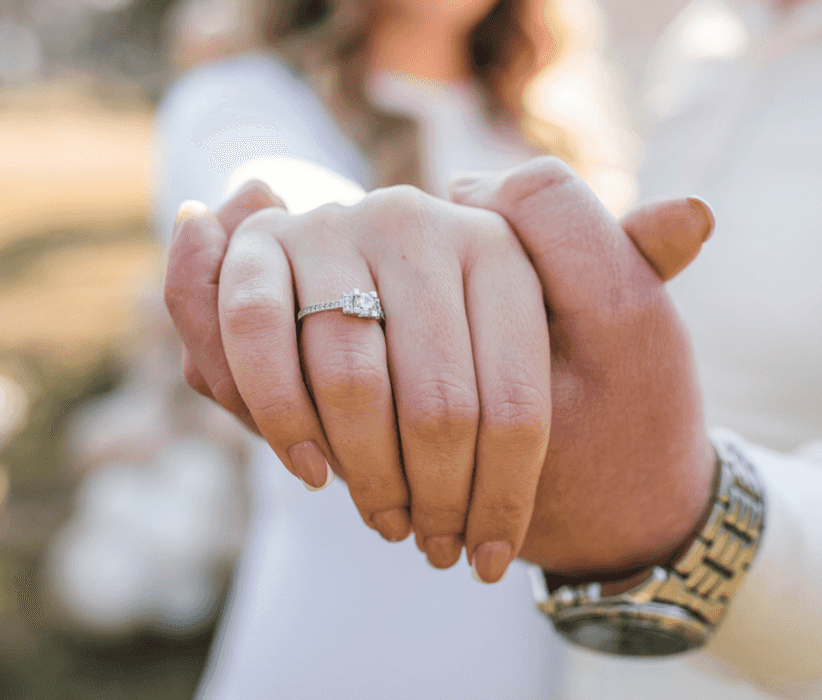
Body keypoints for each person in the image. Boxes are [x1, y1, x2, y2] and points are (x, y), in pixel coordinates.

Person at [165, 0, 822, 696]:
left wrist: (687, 520)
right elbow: (262, 175)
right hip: (350, 653)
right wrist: (317, 237)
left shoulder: (565, 125)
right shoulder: (706, 55)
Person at [151, 0, 640, 696]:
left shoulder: (558, 141)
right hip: (333, 625)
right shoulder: (243, 96)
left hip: (530, 630)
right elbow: (268, 182)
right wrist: (323, 242)